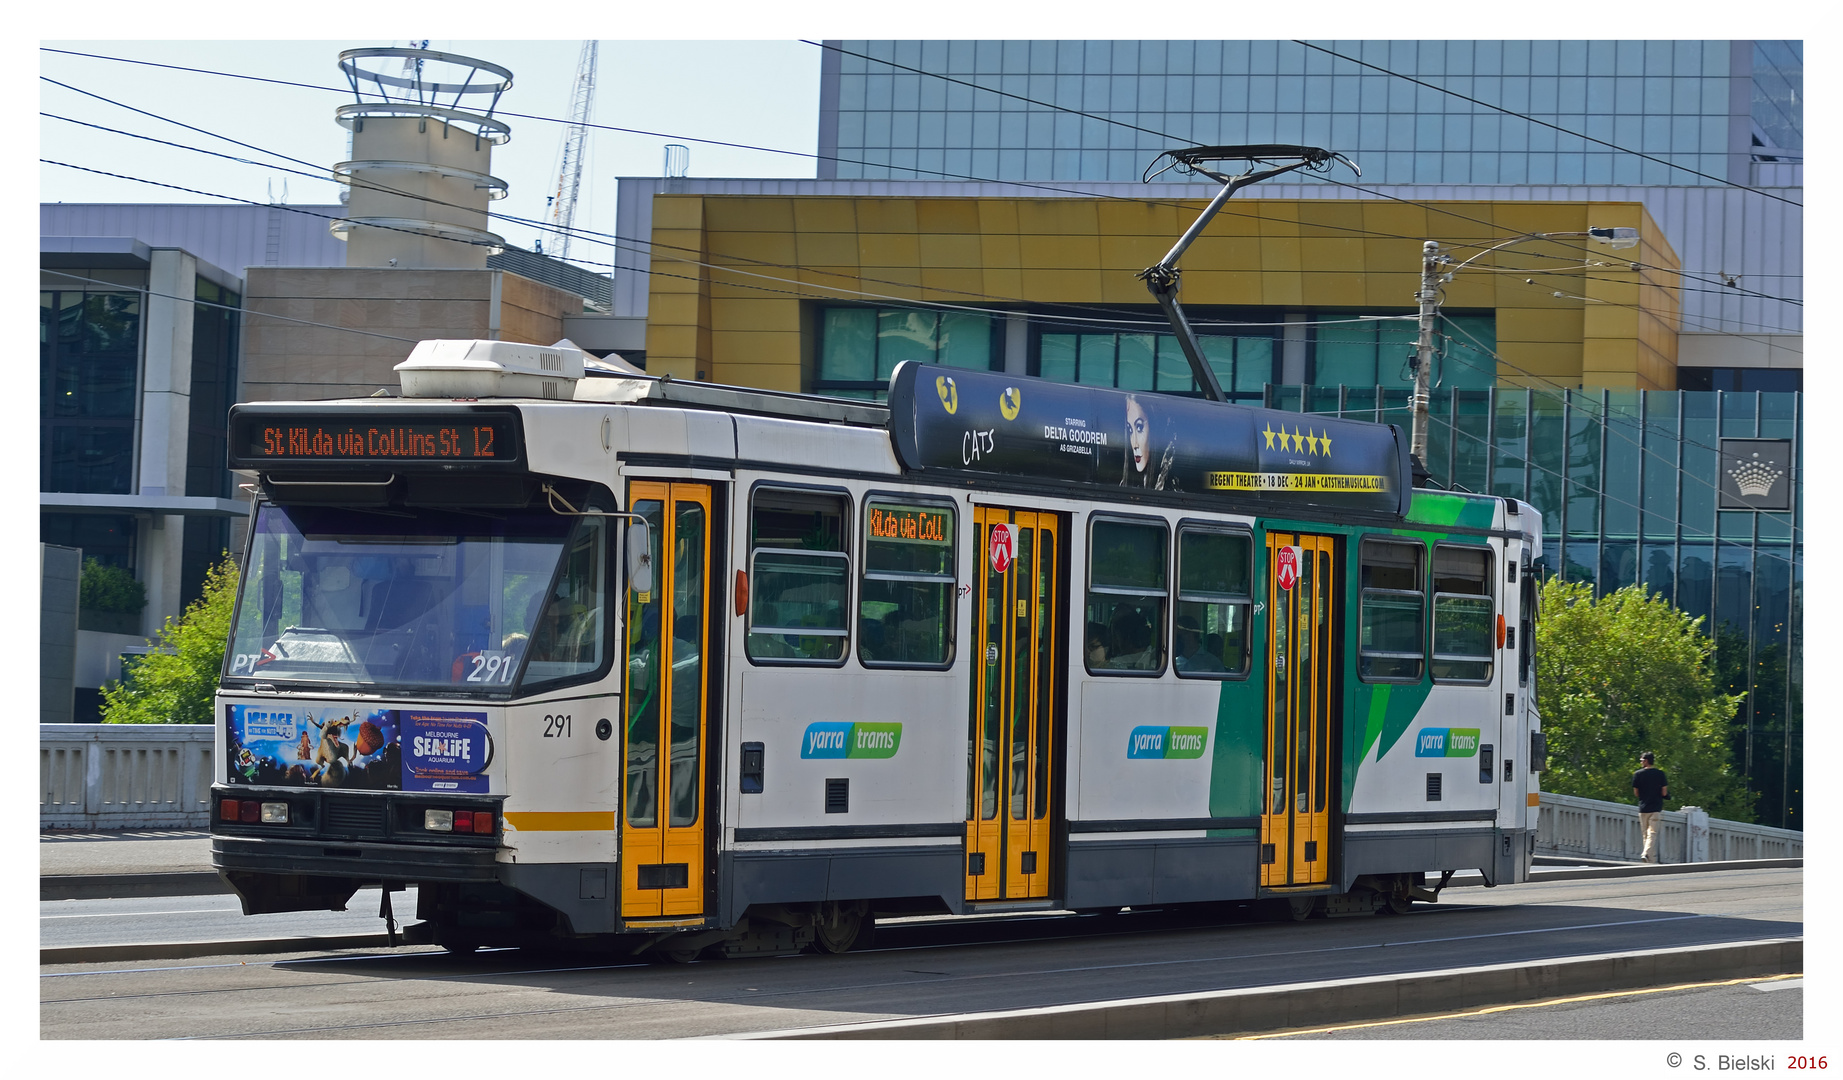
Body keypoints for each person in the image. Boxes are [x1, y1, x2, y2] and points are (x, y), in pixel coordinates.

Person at [1632, 751, 1670, 863]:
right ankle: (1646, 854)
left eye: (1641, 760)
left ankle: (1650, 860)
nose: (1640, 762)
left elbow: (1636, 793)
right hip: (1655, 807)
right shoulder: (1660, 774)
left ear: (1646, 760)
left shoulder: (1637, 774)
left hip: (1643, 808)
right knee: (1652, 833)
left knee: (1645, 834)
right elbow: (1664, 793)